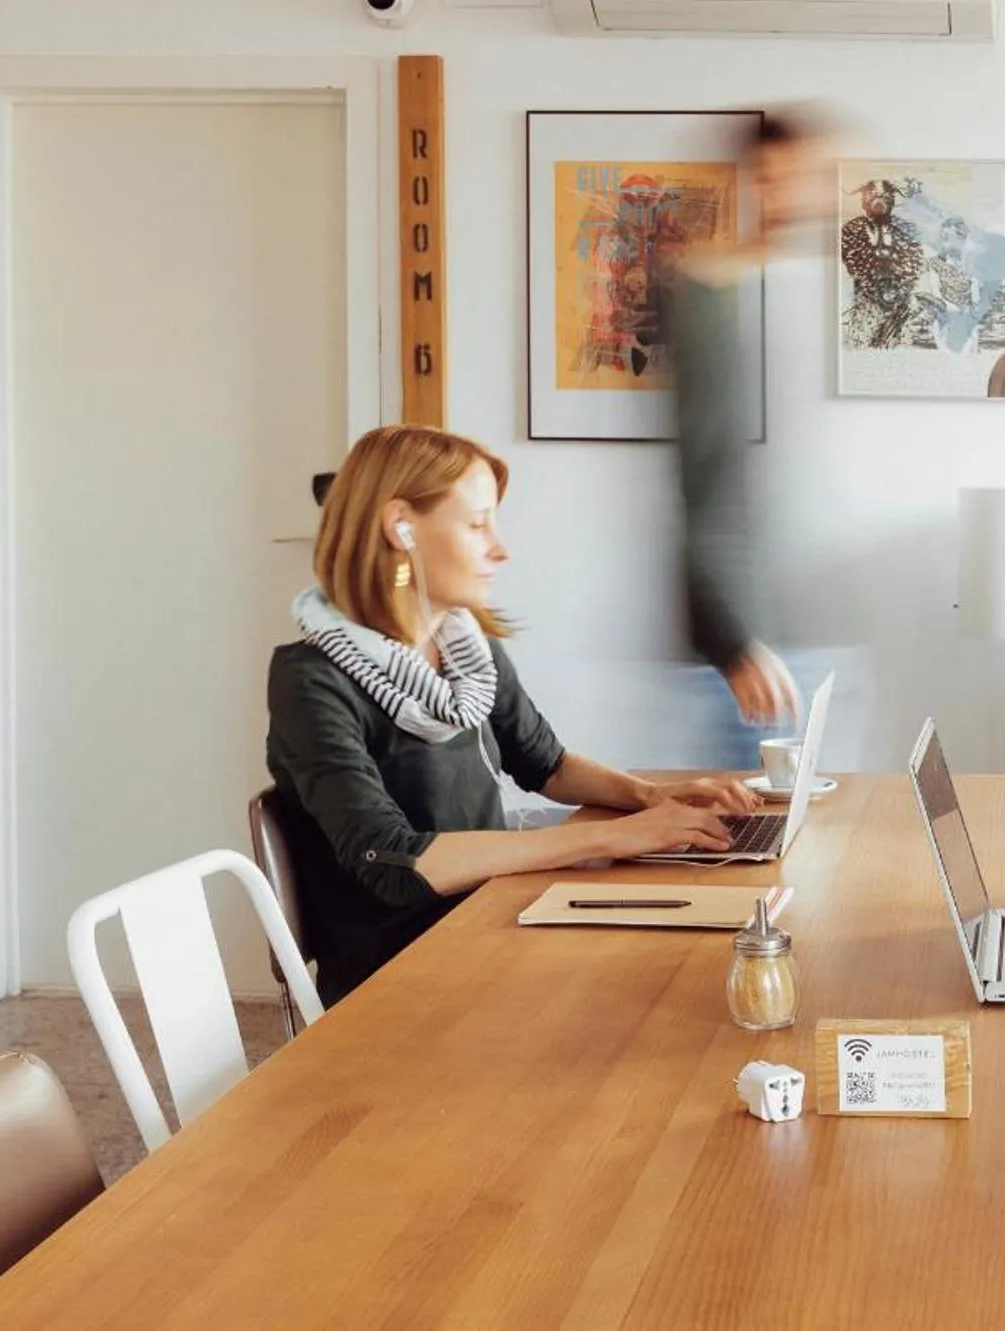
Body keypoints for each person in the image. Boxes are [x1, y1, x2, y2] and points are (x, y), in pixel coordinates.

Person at [268, 424, 757, 1004]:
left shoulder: (467, 653)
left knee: (682, 968)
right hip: (402, 979)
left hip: (489, 919)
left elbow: (546, 765)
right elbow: (394, 862)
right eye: (477, 525)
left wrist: (650, 798)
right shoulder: (311, 680)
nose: (500, 549)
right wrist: (610, 837)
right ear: (400, 526)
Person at [664, 106, 845, 746]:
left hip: (811, 633)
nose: (791, 197)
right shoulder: (709, 295)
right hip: (746, 654)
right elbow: (704, 478)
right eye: (774, 179)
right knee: (753, 812)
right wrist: (734, 640)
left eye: (806, 178)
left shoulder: (803, 288)